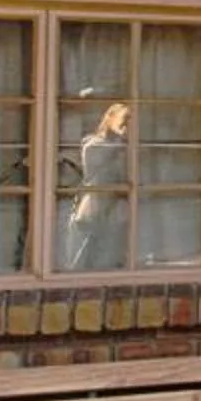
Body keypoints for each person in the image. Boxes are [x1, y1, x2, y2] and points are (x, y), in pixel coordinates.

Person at [65, 98, 131, 272]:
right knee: (84, 256)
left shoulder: (125, 150)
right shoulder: (93, 144)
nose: (126, 127)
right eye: (124, 121)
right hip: (94, 208)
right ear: (110, 119)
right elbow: (96, 161)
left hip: (116, 210)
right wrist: (121, 143)